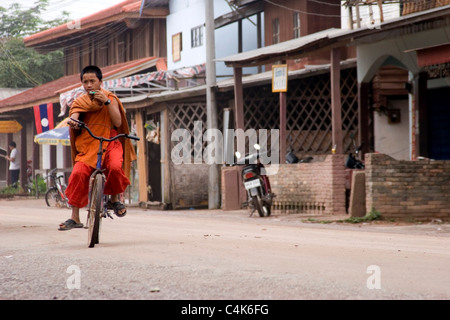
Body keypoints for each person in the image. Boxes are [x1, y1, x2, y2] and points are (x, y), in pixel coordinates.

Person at [58, 65, 136, 231]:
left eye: (92, 81)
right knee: (78, 173)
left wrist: (106, 102)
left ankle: (115, 199)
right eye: (85, 82)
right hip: (88, 142)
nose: (89, 85)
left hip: (111, 141)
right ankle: (75, 217)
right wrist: (73, 121)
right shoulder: (81, 101)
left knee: (115, 167)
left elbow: (118, 122)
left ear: (101, 81)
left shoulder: (111, 98)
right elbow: (75, 116)